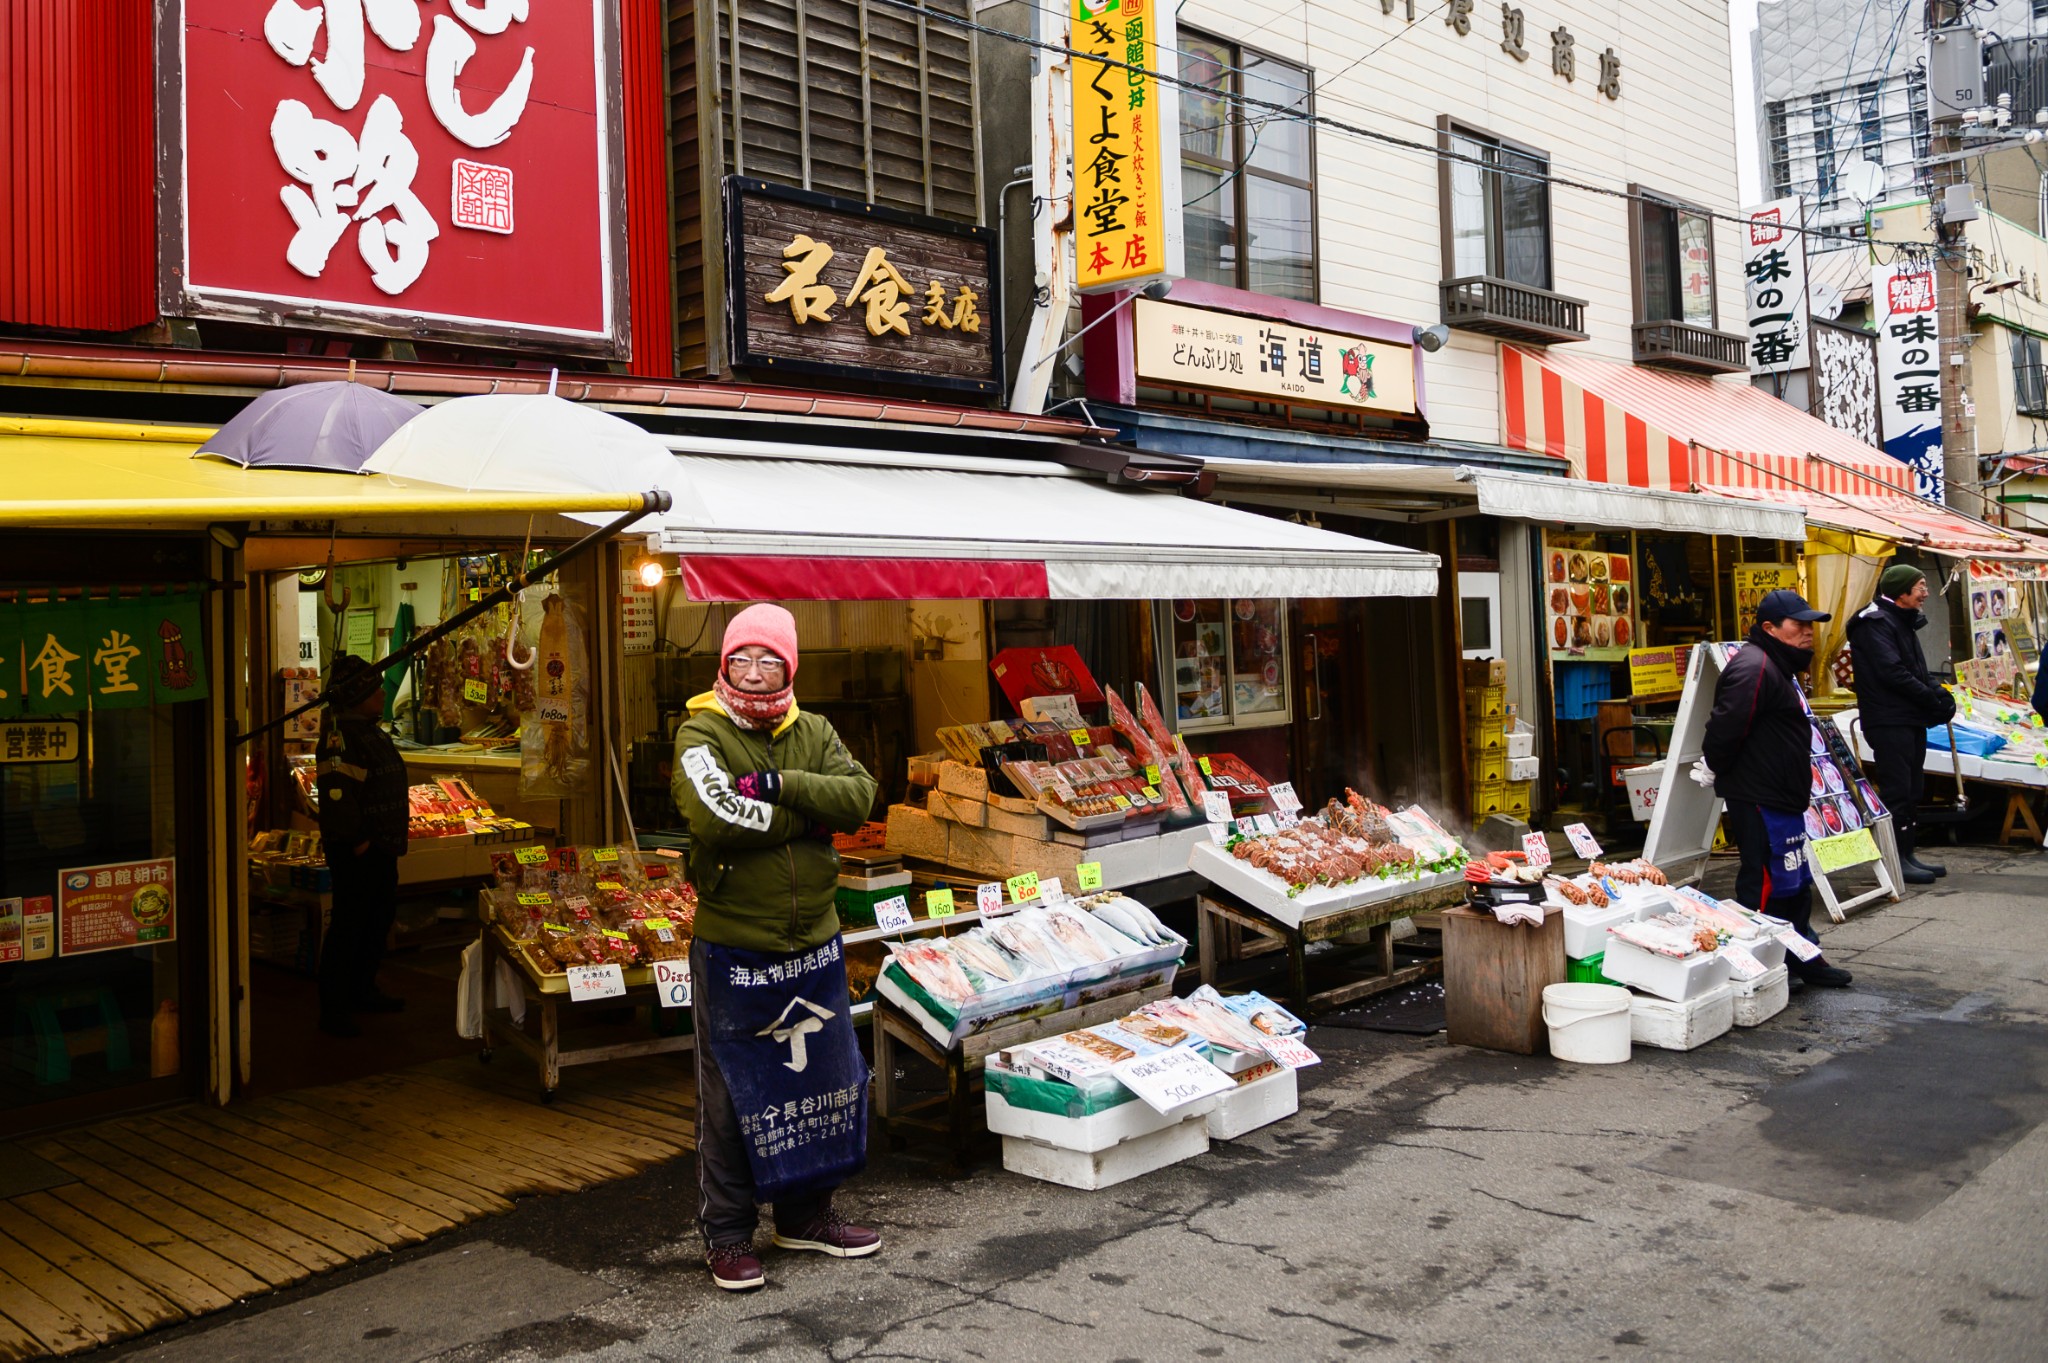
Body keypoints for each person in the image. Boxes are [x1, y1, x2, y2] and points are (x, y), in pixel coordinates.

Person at [671, 604, 881, 1293]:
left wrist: (783, 785)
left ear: (790, 667)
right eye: (742, 659)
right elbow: (716, 815)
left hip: (813, 943)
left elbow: (861, 797)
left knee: (818, 1083)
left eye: (769, 660)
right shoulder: (700, 731)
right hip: (734, 947)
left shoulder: (812, 730)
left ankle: (805, 1215)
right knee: (731, 1094)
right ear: (722, 664)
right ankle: (727, 1234)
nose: (755, 673)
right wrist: (809, 822)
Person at [1702, 590, 1852, 989]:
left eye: (1810, 625)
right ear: (1769, 628)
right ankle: (1753, 963)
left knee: (1793, 881)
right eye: (1798, 625)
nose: (1808, 633)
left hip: (1781, 795)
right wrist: (1720, 769)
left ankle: (1801, 954)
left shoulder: (1776, 665)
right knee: (1765, 884)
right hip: (1759, 796)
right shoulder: (1754, 667)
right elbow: (1723, 730)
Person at [314, 653, 411, 1037]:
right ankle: (335, 1009)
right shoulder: (341, 736)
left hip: (381, 847)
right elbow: (338, 796)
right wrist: (359, 842)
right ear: (359, 696)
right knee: (349, 926)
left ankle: (363, 990)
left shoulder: (367, 729)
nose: (383, 692)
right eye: (375, 688)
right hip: (360, 850)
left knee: (376, 921)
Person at [1845, 563, 1957, 885]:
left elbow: (1917, 670)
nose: (1925, 593)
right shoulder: (1874, 622)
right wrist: (1929, 698)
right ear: (1901, 591)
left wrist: (1940, 694)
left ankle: (1907, 853)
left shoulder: (1901, 621)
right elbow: (1892, 672)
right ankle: (1895, 860)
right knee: (1897, 791)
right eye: (1920, 586)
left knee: (1912, 789)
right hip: (1888, 719)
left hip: (1908, 718)